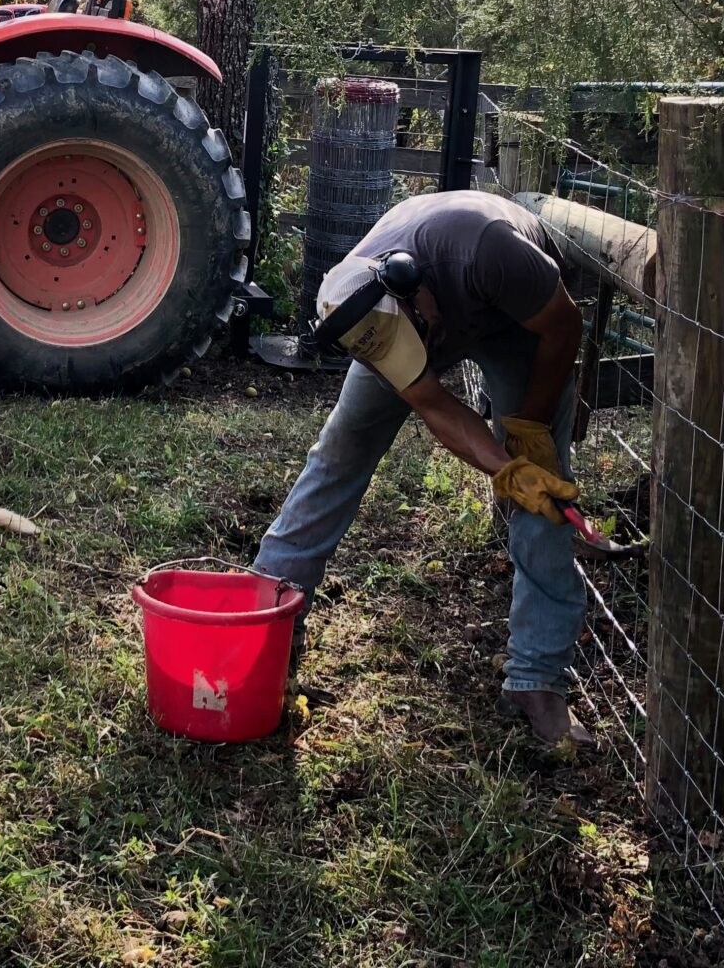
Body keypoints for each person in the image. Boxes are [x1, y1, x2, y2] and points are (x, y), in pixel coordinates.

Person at [254, 190, 595, 748]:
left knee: (543, 483)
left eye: (421, 337)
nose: (426, 350)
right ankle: (270, 614)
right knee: (341, 452)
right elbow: (435, 406)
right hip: (425, 313)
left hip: (520, 322)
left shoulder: (489, 250)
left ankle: (537, 680)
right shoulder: (359, 311)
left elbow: (564, 323)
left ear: (414, 288)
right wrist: (505, 470)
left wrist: (526, 432)